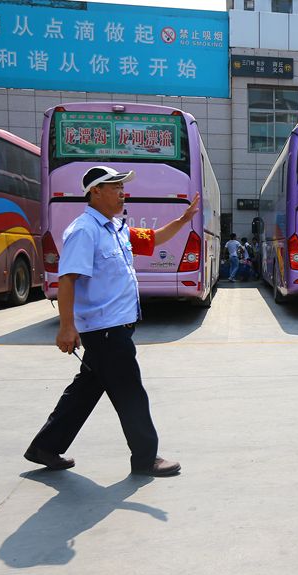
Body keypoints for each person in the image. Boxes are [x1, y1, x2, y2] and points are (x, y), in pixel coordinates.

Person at [24, 166, 199, 477]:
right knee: (130, 393)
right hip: (104, 331)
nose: (122, 192)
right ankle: (146, 459)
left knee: (85, 390)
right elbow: (67, 280)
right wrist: (67, 326)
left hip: (113, 328)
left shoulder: (116, 228)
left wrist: (184, 221)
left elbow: (153, 239)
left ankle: (45, 447)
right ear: (96, 192)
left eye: (122, 186)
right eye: (116, 187)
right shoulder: (85, 230)